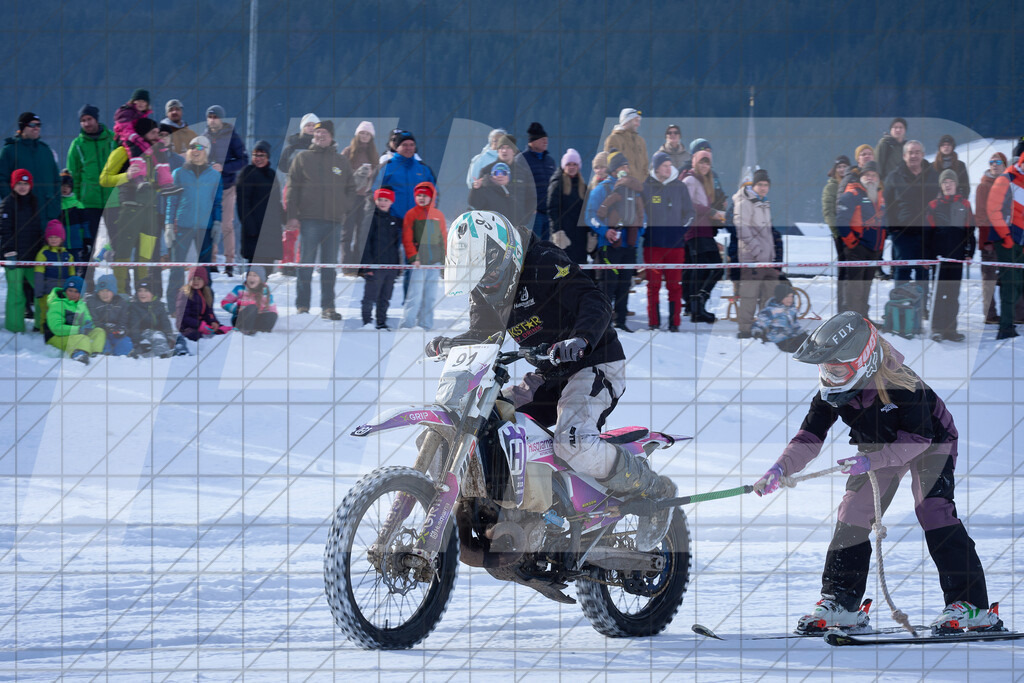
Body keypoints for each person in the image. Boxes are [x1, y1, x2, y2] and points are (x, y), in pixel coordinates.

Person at [428, 210, 675, 551]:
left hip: (594, 363)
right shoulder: (485, 290)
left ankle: (653, 488)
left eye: (488, 273)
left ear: (505, 253)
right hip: (548, 374)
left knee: (571, 441)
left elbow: (595, 300)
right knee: (489, 419)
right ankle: (524, 511)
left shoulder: (543, 262)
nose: (485, 283)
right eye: (476, 277)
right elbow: (483, 336)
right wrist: (453, 344)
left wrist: (580, 339)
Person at [754, 312, 1001, 635]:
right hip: (878, 447)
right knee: (853, 510)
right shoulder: (831, 390)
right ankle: (842, 603)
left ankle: (972, 606)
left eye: (836, 367)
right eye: (825, 367)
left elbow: (918, 439)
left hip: (930, 443)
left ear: (863, 361)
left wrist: (872, 462)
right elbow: (809, 438)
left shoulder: (904, 385)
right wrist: (779, 468)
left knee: (932, 509)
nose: (829, 374)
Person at [285, 120, 356, 320]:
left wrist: (343, 206)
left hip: (334, 221)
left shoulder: (341, 161)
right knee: (305, 265)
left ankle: (328, 307)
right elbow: (292, 188)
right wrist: (291, 215)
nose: (320, 136)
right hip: (309, 220)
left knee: (329, 267)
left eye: (324, 133)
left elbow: (351, 188)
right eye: (317, 133)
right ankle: (303, 306)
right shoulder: (302, 158)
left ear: (331, 136)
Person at [99, 117, 169, 295]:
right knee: (123, 256)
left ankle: (142, 299)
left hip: (150, 212)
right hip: (128, 209)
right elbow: (104, 179)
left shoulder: (156, 154)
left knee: (144, 260)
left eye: (158, 132)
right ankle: (121, 296)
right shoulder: (123, 151)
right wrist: (126, 176)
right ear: (142, 133)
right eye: (153, 132)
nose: (157, 135)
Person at [585, 151, 645, 333]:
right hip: (608, 246)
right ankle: (605, 323)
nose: (625, 170)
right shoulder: (602, 189)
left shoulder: (633, 190)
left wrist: (638, 232)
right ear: (613, 169)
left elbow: (643, 216)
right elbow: (590, 216)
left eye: (627, 166)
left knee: (625, 283)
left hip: (629, 247)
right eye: (621, 166)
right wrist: (605, 231)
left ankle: (621, 321)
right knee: (607, 285)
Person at [165, 136, 223, 297]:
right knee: (177, 268)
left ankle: (206, 305)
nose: (195, 151)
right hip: (183, 226)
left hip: (206, 228)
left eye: (199, 148)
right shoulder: (179, 173)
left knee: (205, 270)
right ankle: (172, 307)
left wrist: (217, 223)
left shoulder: (215, 176)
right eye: (192, 147)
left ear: (207, 151)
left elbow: (217, 202)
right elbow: (172, 200)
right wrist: (169, 225)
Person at [642, 150, 693, 332]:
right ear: (656, 167)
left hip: (675, 247)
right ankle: (653, 323)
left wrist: (681, 231)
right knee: (653, 286)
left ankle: (674, 323)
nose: (668, 167)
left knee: (674, 286)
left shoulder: (680, 187)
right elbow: (640, 215)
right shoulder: (646, 187)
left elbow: (690, 213)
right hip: (652, 246)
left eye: (669, 164)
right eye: (664, 165)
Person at [67, 104, 116, 286]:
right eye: (83, 121)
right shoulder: (77, 145)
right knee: (89, 248)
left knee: (118, 246)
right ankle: (86, 287)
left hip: (114, 201)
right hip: (89, 204)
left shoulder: (112, 139)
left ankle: (119, 287)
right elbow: (74, 177)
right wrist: (78, 203)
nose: (86, 123)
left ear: (96, 119)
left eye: (89, 119)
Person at [885, 140, 938, 304]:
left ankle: (921, 309)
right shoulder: (894, 177)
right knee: (902, 273)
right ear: (904, 156)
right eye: (910, 152)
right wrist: (893, 232)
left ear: (923, 154)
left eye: (917, 152)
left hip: (927, 234)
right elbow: (888, 206)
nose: (914, 156)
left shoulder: (933, 175)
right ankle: (901, 309)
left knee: (923, 273)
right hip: (903, 235)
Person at [925, 169, 972, 342]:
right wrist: (928, 256)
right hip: (939, 258)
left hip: (957, 257)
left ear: (956, 184)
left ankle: (950, 329)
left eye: (951, 181)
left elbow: (970, 230)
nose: (948, 184)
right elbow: (927, 234)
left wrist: (969, 252)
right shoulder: (933, 205)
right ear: (941, 185)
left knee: (953, 293)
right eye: (945, 182)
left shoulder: (965, 205)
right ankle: (937, 328)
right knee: (939, 293)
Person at [836, 162, 886, 319]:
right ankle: (851, 322)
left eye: (873, 175)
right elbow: (841, 221)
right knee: (854, 290)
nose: (870, 178)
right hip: (857, 249)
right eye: (867, 175)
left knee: (866, 288)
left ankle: (863, 320)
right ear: (861, 177)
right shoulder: (853, 194)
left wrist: (881, 245)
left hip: (874, 250)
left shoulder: (879, 196)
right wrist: (853, 243)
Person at [681, 149, 725, 323]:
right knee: (710, 269)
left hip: (704, 232)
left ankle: (697, 306)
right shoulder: (690, 180)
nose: (705, 166)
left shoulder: (703, 181)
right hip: (695, 232)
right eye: (702, 162)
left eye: (707, 163)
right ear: (695, 163)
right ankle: (697, 307)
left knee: (708, 269)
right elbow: (687, 204)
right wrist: (711, 211)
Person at [203, 105, 249, 275]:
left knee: (226, 225)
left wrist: (224, 167)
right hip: (209, 189)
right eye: (210, 116)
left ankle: (230, 263)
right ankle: (212, 261)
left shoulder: (232, 136)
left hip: (227, 187)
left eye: (216, 116)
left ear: (221, 119)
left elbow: (244, 159)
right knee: (210, 226)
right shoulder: (204, 137)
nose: (213, 119)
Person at [733, 169, 777, 338]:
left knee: (769, 295)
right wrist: (758, 251)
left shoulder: (764, 203)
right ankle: (744, 330)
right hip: (752, 258)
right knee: (749, 296)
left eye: (766, 185)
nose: (763, 188)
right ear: (753, 185)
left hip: (767, 259)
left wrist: (771, 255)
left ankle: (764, 328)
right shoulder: (745, 202)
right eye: (760, 184)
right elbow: (742, 230)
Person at [986, 150, 1024, 340]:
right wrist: (1006, 236)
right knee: (1010, 283)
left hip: (1020, 241)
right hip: (1006, 240)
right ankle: (1005, 327)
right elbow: (992, 209)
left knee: (1018, 283)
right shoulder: (1006, 179)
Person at [1, 169, 44, 332]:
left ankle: (41, 324)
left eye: (26, 184)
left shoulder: (34, 202)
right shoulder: (7, 203)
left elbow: (37, 229)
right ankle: (14, 327)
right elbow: (4, 230)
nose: (23, 187)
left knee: (40, 291)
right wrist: (9, 251)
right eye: (19, 183)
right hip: (14, 257)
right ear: (13, 185)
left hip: (33, 256)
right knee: (16, 293)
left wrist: (41, 250)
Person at [400, 182, 446, 329]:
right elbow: (407, 239)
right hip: (419, 264)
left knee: (430, 297)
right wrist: (414, 257)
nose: (421, 198)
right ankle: (407, 325)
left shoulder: (438, 215)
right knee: (415, 296)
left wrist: (445, 260)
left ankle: (426, 325)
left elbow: (444, 239)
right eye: (419, 195)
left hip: (435, 263)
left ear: (432, 197)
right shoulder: (411, 214)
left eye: (425, 196)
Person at [0, 113, 61, 223]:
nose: (36, 128)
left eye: (39, 125)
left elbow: (56, 180)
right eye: (32, 124)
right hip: (21, 214)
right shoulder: (10, 150)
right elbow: (2, 180)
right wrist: (11, 204)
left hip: (47, 213)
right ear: (23, 127)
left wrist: (55, 205)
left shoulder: (45, 151)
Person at [111, 89, 176, 193]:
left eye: (144, 102)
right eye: (138, 101)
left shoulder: (142, 114)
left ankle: (166, 182)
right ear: (133, 101)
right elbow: (125, 128)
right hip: (124, 137)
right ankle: (139, 178)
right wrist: (139, 140)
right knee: (136, 149)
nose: (141, 104)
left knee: (159, 148)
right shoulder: (125, 111)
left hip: (137, 136)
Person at [339, 121, 380, 274]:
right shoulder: (348, 152)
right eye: (362, 133)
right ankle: (346, 265)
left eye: (367, 134)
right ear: (357, 135)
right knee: (346, 232)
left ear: (371, 137)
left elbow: (378, 177)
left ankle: (358, 264)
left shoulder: (374, 155)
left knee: (361, 233)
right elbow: (340, 174)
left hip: (366, 199)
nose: (364, 136)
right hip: (350, 197)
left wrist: (371, 175)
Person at [359, 187, 403, 330]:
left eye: (386, 200)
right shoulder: (370, 218)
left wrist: (397, 267)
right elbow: (364, 243)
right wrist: (367, 266)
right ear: (375, 200)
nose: (383, 202)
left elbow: (396, 246)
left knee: (385, 297)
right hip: (374, 266)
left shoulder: (393, 220)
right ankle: (367, 322)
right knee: (370, 296)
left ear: (391, 201)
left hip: (390, 267)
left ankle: (381, 322)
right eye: (380, 199)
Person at [235, 139, 284, 265]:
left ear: (267, 157)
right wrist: (249, 226)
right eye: (255, 155)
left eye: (262, 155)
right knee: (254, 272)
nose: (258, 158)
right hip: (254, 231)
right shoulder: (247, 173)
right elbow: (242, 203)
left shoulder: (272, 174)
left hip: (271, 231)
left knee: (267, 269)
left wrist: (285, 217)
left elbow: (276, 201)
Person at [976, 153, 1011, 325]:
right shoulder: (983, 186)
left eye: (998, 162)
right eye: (992, 162)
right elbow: (981, 215)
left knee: (1011, 278)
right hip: (990, 239)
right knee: (989, 279)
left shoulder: (1010, 185)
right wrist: (988, 239)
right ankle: (990, 314)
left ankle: (1016, 314)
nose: (994, 165)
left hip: (1008, 239)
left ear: (1005, 165)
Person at [476, 135, 535, 231]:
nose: (504, 151)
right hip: (492, 226)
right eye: (502, 147)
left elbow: (531, 198)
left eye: (508, 147)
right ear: (498, 150)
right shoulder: (486, 171)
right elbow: (477, 202)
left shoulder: (524, 172)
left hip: (517, 226)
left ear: (514, 151)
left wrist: (524, 220)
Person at [45, 276, 105, 363]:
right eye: (70, 290)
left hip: (76, 334)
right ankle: (79, 354)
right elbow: (56, 328)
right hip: (57, 337)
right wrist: (79, 330)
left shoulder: (81, 304)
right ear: (65, 290)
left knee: (99, 332)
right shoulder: (57, 304)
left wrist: (89, 325)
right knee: (81, 338)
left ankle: (95, 355)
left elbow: (88, 318)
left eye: (77, 291)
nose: (73, 294)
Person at [379, 130, 436, 221]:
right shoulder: (386, 167)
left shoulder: (423, 169)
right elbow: (374, 191)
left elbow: (434, 193)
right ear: (397, 148)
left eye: (411, 145)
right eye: (404, 145)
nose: (408, 148)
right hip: (392, 222)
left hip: (417, 221)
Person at [546, 148, 589, 266]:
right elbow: (552, 210)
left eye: (574, 164)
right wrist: (557, 232)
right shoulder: (557, 184)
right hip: (564, 234)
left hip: (580, 236)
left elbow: (586, 212)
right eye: (569, 164)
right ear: (564, 166)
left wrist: (590, 232)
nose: (571, 167)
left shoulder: (582, 186)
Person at [823, 155, 851, 311]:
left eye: (844, 166)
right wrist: (837, 232)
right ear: (835, 169)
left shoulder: (851, 184)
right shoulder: (831, 187)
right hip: (840, 235)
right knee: (844, 271)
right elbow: (828, 211)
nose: (842, 170)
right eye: (839, 167)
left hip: (853, 234)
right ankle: (842, 306)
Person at [519, 122, 557, 240]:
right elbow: (519, 188)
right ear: (532, 141)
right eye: (542, 139)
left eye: (546, 139)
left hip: (548, 213)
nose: (545, 142)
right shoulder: (522, 159)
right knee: (532, 246)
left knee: (545, 247)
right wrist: (529, 209)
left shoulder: (550, 161)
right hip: (533, 215)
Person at [33, 220, 74, 327]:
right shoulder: (43, 254)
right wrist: (39, 292)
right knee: (46, 314)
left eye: (56, 237)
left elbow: (72, 276)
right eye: (50, 237)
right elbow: (39, 274)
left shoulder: (68, 256)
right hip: (47, 292)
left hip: (64, 292)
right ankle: (45, 333)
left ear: (62, 238)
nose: (53, 239)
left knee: (63, 314)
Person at [126, 279, 182, 357]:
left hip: (159, 333)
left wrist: (169, 335)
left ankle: (181, 351)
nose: (142, 294)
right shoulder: (134, 307)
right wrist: (136, 341)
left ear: (152, 294)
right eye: (140, 291)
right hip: (143, 335)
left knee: (179, 337)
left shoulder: (159, 305)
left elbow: (165, 322)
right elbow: (134, 326)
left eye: (146, 291)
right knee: (156, 336)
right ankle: (163, 355)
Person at [751, 280, 808, 352]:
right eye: (787, 296)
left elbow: (795, 325)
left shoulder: (792, 310)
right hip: (779, 338)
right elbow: (760, 322)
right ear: (780, 297)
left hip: (792, 335)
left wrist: (801, 333)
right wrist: (757, 331)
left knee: (806, 343)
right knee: (794, 349)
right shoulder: (771, 310)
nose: (790, 299)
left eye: (792, 296)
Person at [85, 274, 133, 356]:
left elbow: (124, 320)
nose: (105, 294)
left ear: (113, 291)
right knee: (103, 345)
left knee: (124, 343)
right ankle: (105, 355)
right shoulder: (92, 302)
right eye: (102, 291)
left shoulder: (121, 303)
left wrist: (121, 329)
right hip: (100, 332)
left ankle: (125, 356)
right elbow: (93, 319)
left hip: (115, 331)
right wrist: (103, 327)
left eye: (108, 291)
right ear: (98, 292)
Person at [221, 265, 277, 334]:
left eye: (255, 275)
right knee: (252, 307)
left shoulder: (265, 292)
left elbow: (272, 309)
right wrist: (236, 309)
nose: (251, 278)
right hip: (240, 320)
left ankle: (262, 332)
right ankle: (245, 331)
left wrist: (265, 313)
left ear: (261, 279)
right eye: (249, 275)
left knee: (272, 315)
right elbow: (225, 302)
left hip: (256, 320)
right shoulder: (240, 289)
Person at [176, 265, 228, 341]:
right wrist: (199, 325)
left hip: (202, 323)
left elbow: (209, 312)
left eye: (199, 279)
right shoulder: (184, 294)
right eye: (193, 279)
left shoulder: (206, 293)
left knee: (221, 330)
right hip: (186, 325)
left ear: (204, 281)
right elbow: (183, 317)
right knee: (195, 335)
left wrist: (213, 321)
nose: (196, 281)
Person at [603, 108, 647, 182]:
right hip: (622, 187)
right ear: (627, 121)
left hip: (640, 188)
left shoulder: (641, 141)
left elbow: (645, 166)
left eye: (639, 121)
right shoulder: (614, 139)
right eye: (636, 121)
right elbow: (610, 165)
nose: (638, 124)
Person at [875, 117, 907, 182]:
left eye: (901, 127)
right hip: (888, 184)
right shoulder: (885, 144)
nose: (898, 130)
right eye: (895, 127)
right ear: (891, 130)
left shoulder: (907, 146)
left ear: (905, 130)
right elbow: (878, 166)